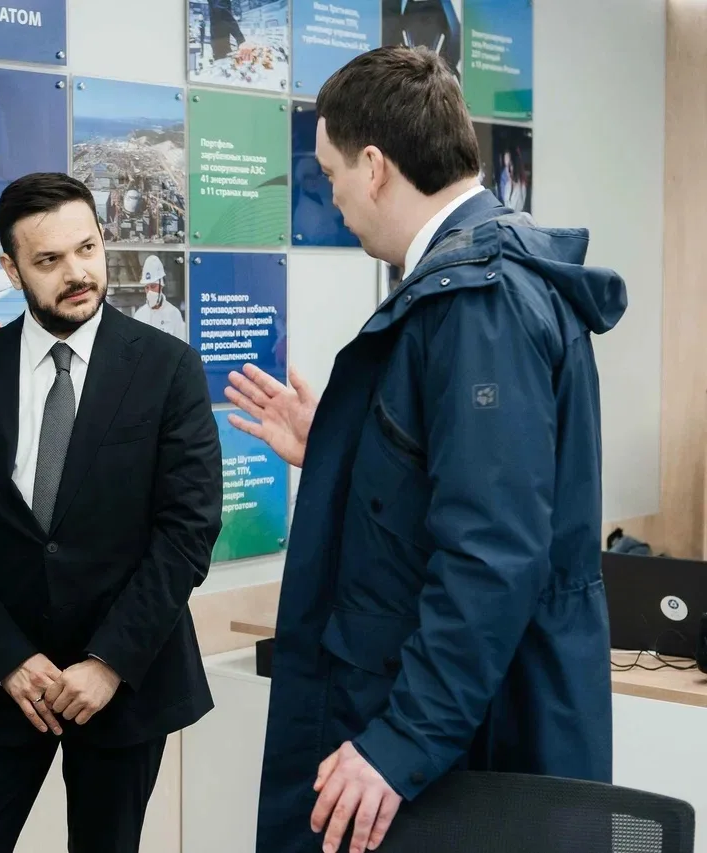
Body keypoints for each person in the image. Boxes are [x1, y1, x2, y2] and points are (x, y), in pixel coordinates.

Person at [224, 47, 625, 853]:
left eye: (331, 172)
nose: (331, 197)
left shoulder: (480, 303)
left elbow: (490, 552)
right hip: (463, 725)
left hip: (461, 749)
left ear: (374, 167)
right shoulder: (484, 275)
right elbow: (457, 483)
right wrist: (342, 448)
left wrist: (400, 741)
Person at [0, 171, 223, 853]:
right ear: (12, 270)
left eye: (87, 248)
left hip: (123, 681)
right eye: (49, 260)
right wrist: (9, 659)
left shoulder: (168, 368)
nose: (77, 273)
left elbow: (188, 530)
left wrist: (109, 662)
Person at [131, 254, 186, 340]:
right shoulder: (139, 315)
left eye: (153, 286)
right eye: (147, 287)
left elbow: (182, 344)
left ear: (161, 286)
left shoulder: (174, 314)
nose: (150, 291)